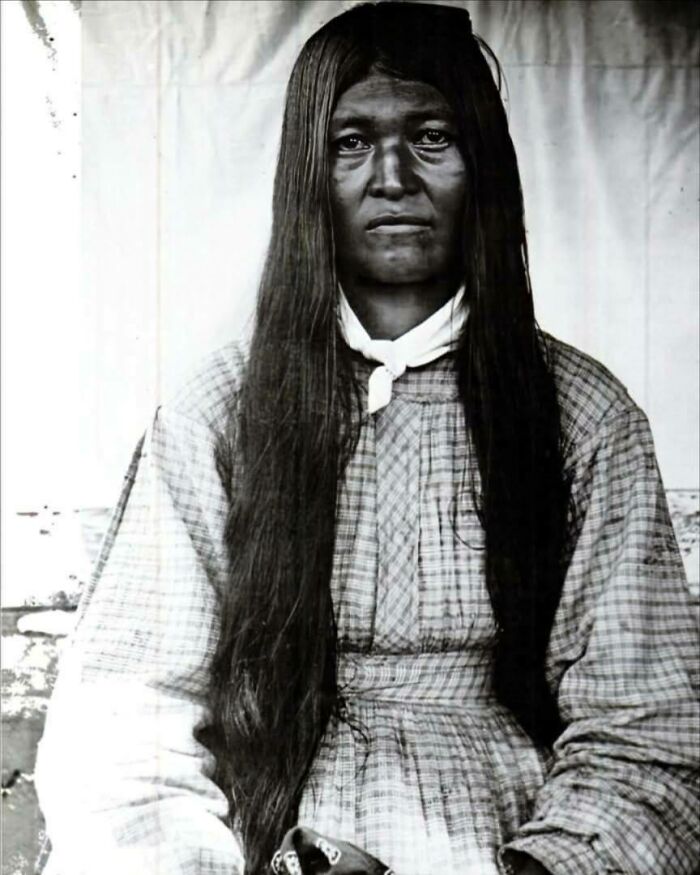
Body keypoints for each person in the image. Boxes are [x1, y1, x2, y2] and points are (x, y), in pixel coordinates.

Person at [36, 4, 699, 875]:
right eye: (351, 143)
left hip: (510, 832)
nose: (392, 177)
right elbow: (130, 719)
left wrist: (535, 867)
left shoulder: (580, 413)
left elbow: (648, 727)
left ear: (483, 167)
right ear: (308, 176)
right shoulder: (219, 411)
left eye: (432, 138)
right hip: (257, 826)